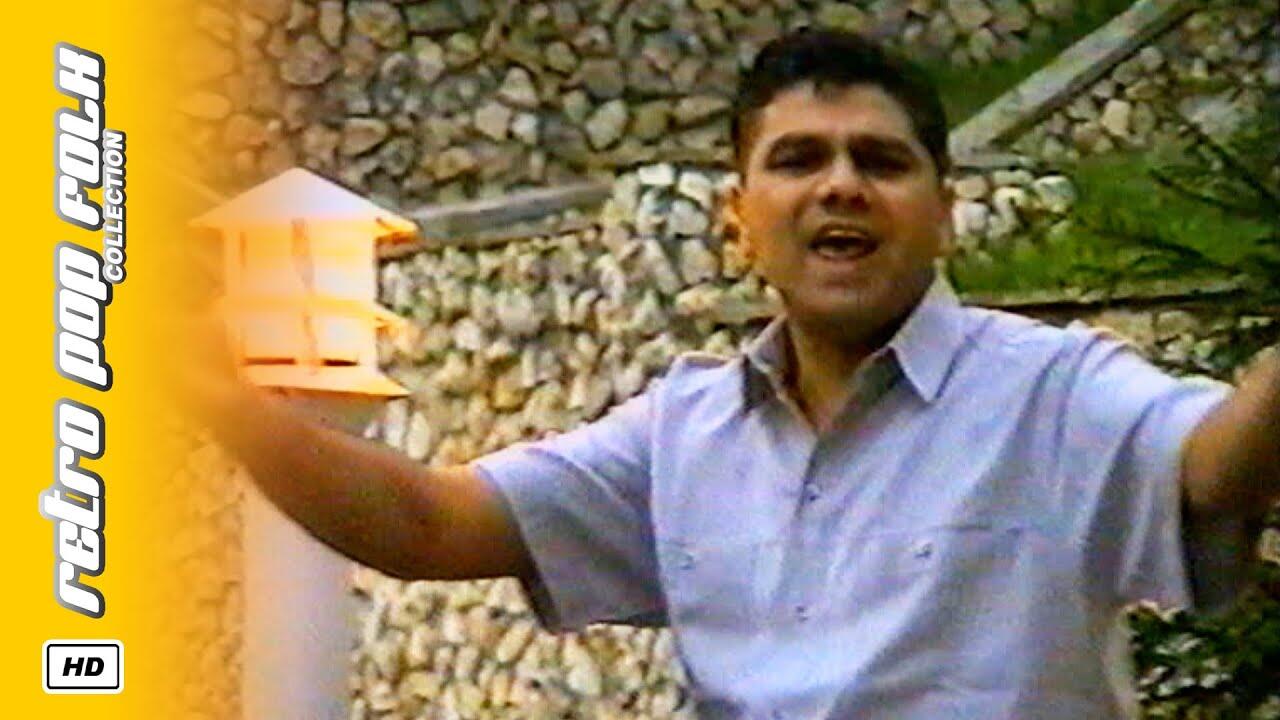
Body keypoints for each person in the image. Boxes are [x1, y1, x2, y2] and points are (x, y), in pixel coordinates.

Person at [191, 29, 1280, 720]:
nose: (840, 186)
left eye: (881, 161)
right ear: (739, 221)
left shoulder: (1057, 394)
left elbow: (1216, 465)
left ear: (945, 212)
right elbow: (429, 526)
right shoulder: (680, 434)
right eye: (798, 160)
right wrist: (216, 399)